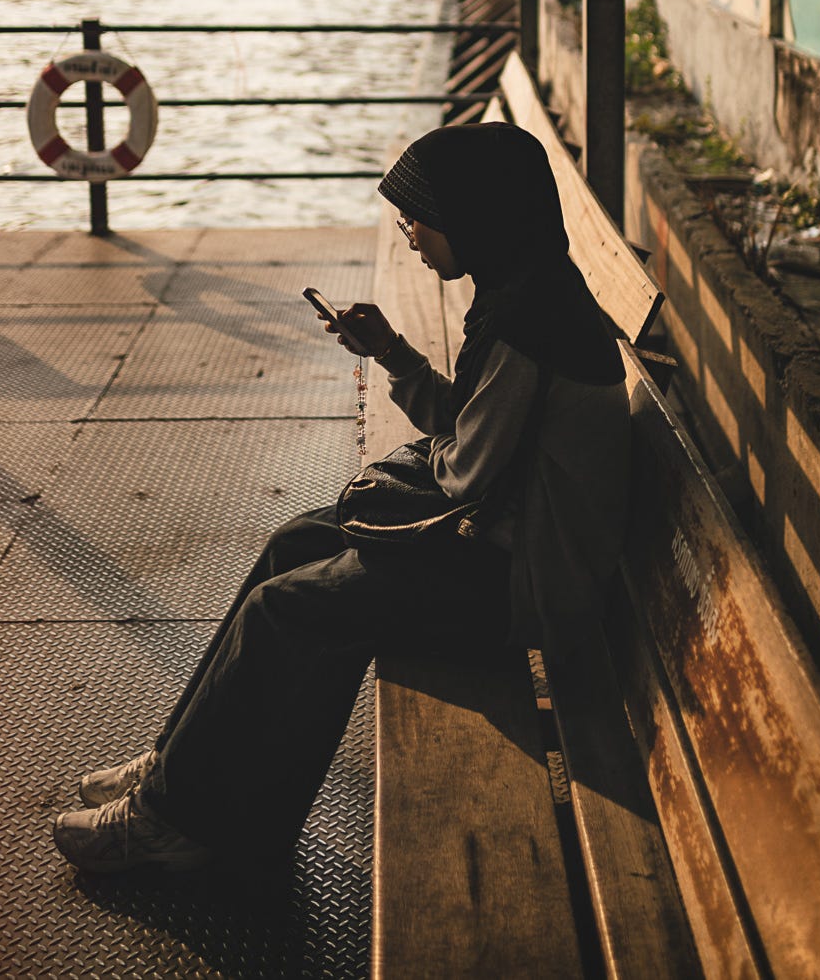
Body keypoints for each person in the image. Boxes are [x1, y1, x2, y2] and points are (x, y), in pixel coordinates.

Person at [52, 119, 631, 875]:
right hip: (504, 542)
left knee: (287, 609)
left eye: (418, 215)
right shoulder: (526, 290)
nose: (408, 229)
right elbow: (475, 438)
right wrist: (391, 354)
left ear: (475, 218)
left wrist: (412, 463)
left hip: (525, 585)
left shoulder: (528, 322)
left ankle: (180, 822)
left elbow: (464, 473)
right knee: (292, 543)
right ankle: (175, 767)